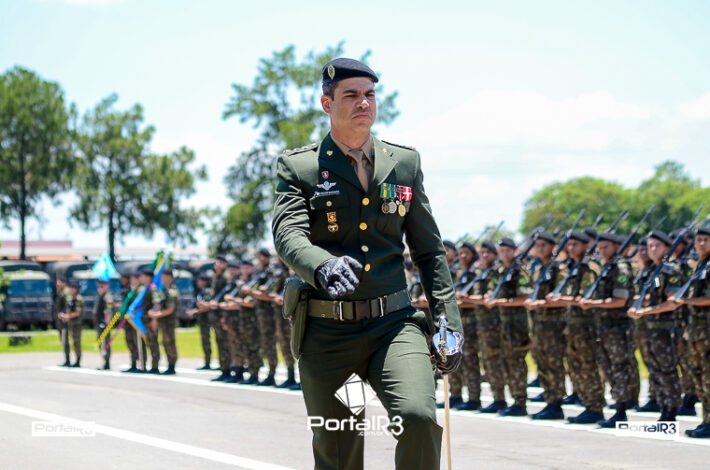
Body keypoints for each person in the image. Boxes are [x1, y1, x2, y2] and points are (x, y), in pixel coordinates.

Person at [272, 58, 463, 470]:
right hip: (328, 333)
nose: (363, 103)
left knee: (416, 418)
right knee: (340, 449)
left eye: (370, 95)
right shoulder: (301, 167)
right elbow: (288, 234)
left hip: (393, 327)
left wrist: (448, 321)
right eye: (351, 95)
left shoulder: (404, 163)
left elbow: (429, 252)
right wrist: (321, 265)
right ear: (327, 104)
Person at [546, 231, 605, 424]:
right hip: (573, 325)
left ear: (585, 246)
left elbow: (587, 296)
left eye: (575, 245)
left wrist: (562, 299)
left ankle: (595, 407)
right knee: (577, 366)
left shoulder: (588, 267)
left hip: (586, 325)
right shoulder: (572, 267)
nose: (571, 248)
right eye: (569, 245)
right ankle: (587, 403)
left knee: (589, 365)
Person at [579, 232, 635, 427]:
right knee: (609, 368)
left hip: (618, 327)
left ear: (616, 247)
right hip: (604, 326)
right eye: (600, 248)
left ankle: (621, 410)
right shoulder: (606, 267)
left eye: (606, 247)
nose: (602, 251)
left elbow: (620, 300)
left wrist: (594, 304)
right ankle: (617, 406)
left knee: (619, 368)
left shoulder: (620, 269)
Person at [628, 231, 685, 423]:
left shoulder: (670, 270)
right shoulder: (653, 270)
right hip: (651, 328)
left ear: (667, 248)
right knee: (655, 370)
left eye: (657, 245)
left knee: (667, 370)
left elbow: (672, 302)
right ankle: (663, 407)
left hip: (666, 329)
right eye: (650, 246)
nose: (652, 249)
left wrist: (645, 311)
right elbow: (652, 297)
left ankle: (671, 410)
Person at [486, 237, 532, 417]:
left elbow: (525, 297)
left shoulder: (519, 271)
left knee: (517, 362)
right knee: (506, 362)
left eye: (507, 250)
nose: (504, 254)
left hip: (517, 323)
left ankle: (520, 402)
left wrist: (500, 302)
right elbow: (491, 291)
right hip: (502, 323)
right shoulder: (500, 271)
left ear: (514, 251)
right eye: (501, 251)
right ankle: (513, 399)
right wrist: (490, 298)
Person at [672, 226, 710, 438]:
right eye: (698, 240)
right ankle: (706, 420)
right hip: (696, 331)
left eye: (706, 240)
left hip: (707, 331)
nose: (701, 244)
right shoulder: (699, 265)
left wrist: (686, 301)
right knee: (699, 376)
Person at [526, 232, 567, 420]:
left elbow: (562, 298)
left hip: (553, 324)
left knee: (554, 363)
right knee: (542, 362)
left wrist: (539, 304)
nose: (540, 248)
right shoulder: (538, 268)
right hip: (538, 323)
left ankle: (556, 403)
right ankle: (549, 399)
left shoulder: (559, 269)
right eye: (538, 245)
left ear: (552, 247)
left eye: (544, 245)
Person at [148, 269, 180, 375]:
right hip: (163, 321)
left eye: (164, 276)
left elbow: (170, 309)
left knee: (169, 342)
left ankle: (172, 366)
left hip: (169, 322)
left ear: (169, 277)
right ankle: (169, 365)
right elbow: (159, 304)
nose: (161, 278)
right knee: (165, 343)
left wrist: (156, 315)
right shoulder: (163, 291)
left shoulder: (172, 292)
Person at [188, 273, 214, 370]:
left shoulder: (207, 291)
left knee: (209, 341)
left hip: (208, 319)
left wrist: (194, 311)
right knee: (205, 341)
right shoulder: (200, 291)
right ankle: (207, 361)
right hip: (202, 319)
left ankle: (210, 362)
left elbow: (206, 306)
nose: (198, 282)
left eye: (199, 280)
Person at [58, 281, 83, 368]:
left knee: (76, 342)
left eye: (72, 288)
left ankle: (78, 361)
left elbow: (78, 313)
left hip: (76, 324)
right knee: (66, 342)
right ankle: (67, 360)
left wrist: (67, 316)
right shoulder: (70, 298)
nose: (71, 290)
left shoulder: (78, 299)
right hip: (69, 324)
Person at [94, 279, 114, 370]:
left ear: (107, 287)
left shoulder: (107, 297)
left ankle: (106, 363)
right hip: (99, 323)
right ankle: (104, 361)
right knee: (101, 343)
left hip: (104, 324)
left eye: (102, 286)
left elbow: (108, 312)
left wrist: (106, 324)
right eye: (98, 286)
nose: (99, 288)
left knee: (105, 344)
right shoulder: (100, 296)